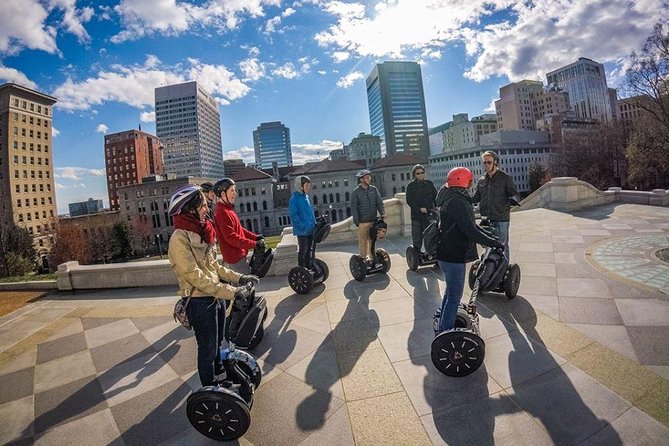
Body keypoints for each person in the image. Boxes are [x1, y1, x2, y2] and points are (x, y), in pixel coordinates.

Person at [167, 184, 259, 387]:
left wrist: (240, 278)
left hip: (215, 297)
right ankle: (210, 390)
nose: (207, 209)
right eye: (202, 206)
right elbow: (197, 277)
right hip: (198, 302)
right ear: (190, 208)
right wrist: (233, 292)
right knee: (207, 349)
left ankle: (220, 375)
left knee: (217, 343)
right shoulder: (179, 239)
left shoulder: (204, 232)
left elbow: (214, 266)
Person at [436, 167, 503, 332]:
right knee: (454, 296)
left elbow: (470, 226)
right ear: (464, 182)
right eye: (471, 180)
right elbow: (470, 230)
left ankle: (443, 324)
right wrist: (493, 243)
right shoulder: (459, 202)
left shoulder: (449, 197)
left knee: (450, 293)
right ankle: (446, 332)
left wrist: (490, 238)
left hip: (445, 253)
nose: (472, 184)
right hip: (454, 255)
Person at [472, 150, 519, 257]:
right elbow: (476, 197)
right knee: (488, 245)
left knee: (502, 245)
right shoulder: (481, 180)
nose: (486, 165)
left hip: (501, 218)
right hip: (486, 219)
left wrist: (514, 199)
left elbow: (515, 194)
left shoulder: (504, 178)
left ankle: (504, 268)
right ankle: (491, 267)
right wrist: (463, 197)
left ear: (495, 162)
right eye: (484, 163)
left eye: (489, 162)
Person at [212, 178, 263, 272]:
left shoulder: (228, 209)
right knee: (247, 284)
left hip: (238, 254)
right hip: (235, 257)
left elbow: (239, 229)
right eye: (232, 190)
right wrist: (254, 244)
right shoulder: (222, 212)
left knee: (246, 284)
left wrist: (255, 237)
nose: (235, 193)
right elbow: (231, 237)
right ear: (223, 194)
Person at [351, 169, 385, 262]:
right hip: (363, 222)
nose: (369, 179)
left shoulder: (373, 189)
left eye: (369, 177)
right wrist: (357, 221)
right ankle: (363, 258)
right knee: (363, 241)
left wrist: (382, 213)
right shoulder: (356, 192)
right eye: (367, 177)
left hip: (373, 220)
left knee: (372, 240)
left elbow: (379, 202)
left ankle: (372, 257)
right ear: (361, 180)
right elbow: (354, 208)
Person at [405, 164, 437, 252]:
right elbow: (409, 201)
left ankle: (431, 252)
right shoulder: (411, 186)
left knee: (430, 236)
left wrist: (437, 206)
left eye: (422, 173)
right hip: (417, 216)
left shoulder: (429, 184)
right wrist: (419, 208)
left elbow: (435, 196)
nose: (420, 175)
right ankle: (416, 254)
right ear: (414, 175)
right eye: (418, 173)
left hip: (429, 215)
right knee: (417, 238)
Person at [289, 175, 317, 268]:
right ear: (300, 186)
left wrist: (314, 223)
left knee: (309, 250)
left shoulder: (306, 197)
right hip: (302, 231)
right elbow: (294, 215)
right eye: (306, 185)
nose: (309, 187)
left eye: (309, 185)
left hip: (310, 229)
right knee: (303, 250)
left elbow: (310, 213)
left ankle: (309, 267)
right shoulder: (294, 199)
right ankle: (302, 269)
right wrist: (302, 226)